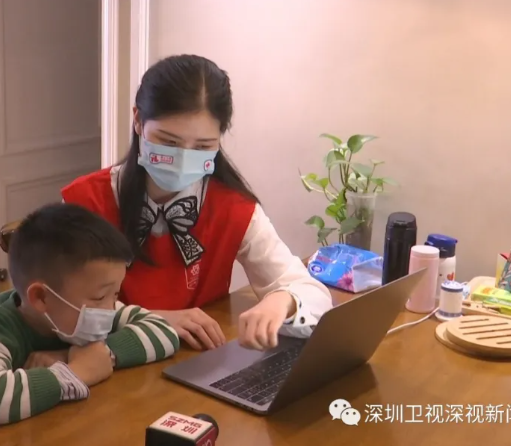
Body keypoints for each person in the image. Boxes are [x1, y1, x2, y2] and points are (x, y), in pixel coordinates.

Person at [62, 54, 333, 352]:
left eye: (203, 147)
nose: (183, 159)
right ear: (138, 120)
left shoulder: (233, 208)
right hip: (109, 362)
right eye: (169, 142)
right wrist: (153, 320)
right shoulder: (85, 203)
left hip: (196, 360)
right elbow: (64, 307)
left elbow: (312, 292)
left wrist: (283, 301)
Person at [0, 203, 180, 426]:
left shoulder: (87, 309)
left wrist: (88, 356)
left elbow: (163, 331)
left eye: (116, 294)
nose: (111, 308)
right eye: (100, 297)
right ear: (41, 298)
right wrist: (77, 372)